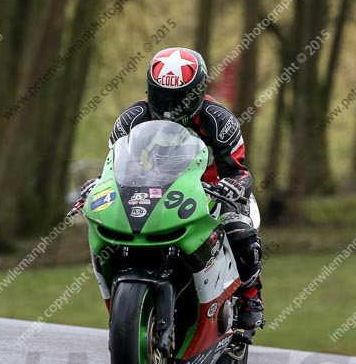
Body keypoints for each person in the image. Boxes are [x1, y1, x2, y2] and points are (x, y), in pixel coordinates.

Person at [80, 46, 264, 330]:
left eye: (179, 97)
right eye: (162, 95)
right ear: (149, 90)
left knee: (240, 231)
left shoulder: (220, 121)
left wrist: (232, 187)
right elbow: (114, 167)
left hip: (212, 191)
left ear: (198, 93)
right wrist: (99, 186)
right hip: (156, 191)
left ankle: (252, 298)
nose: (169, 106)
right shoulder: (132, 119)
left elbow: (238, 171)